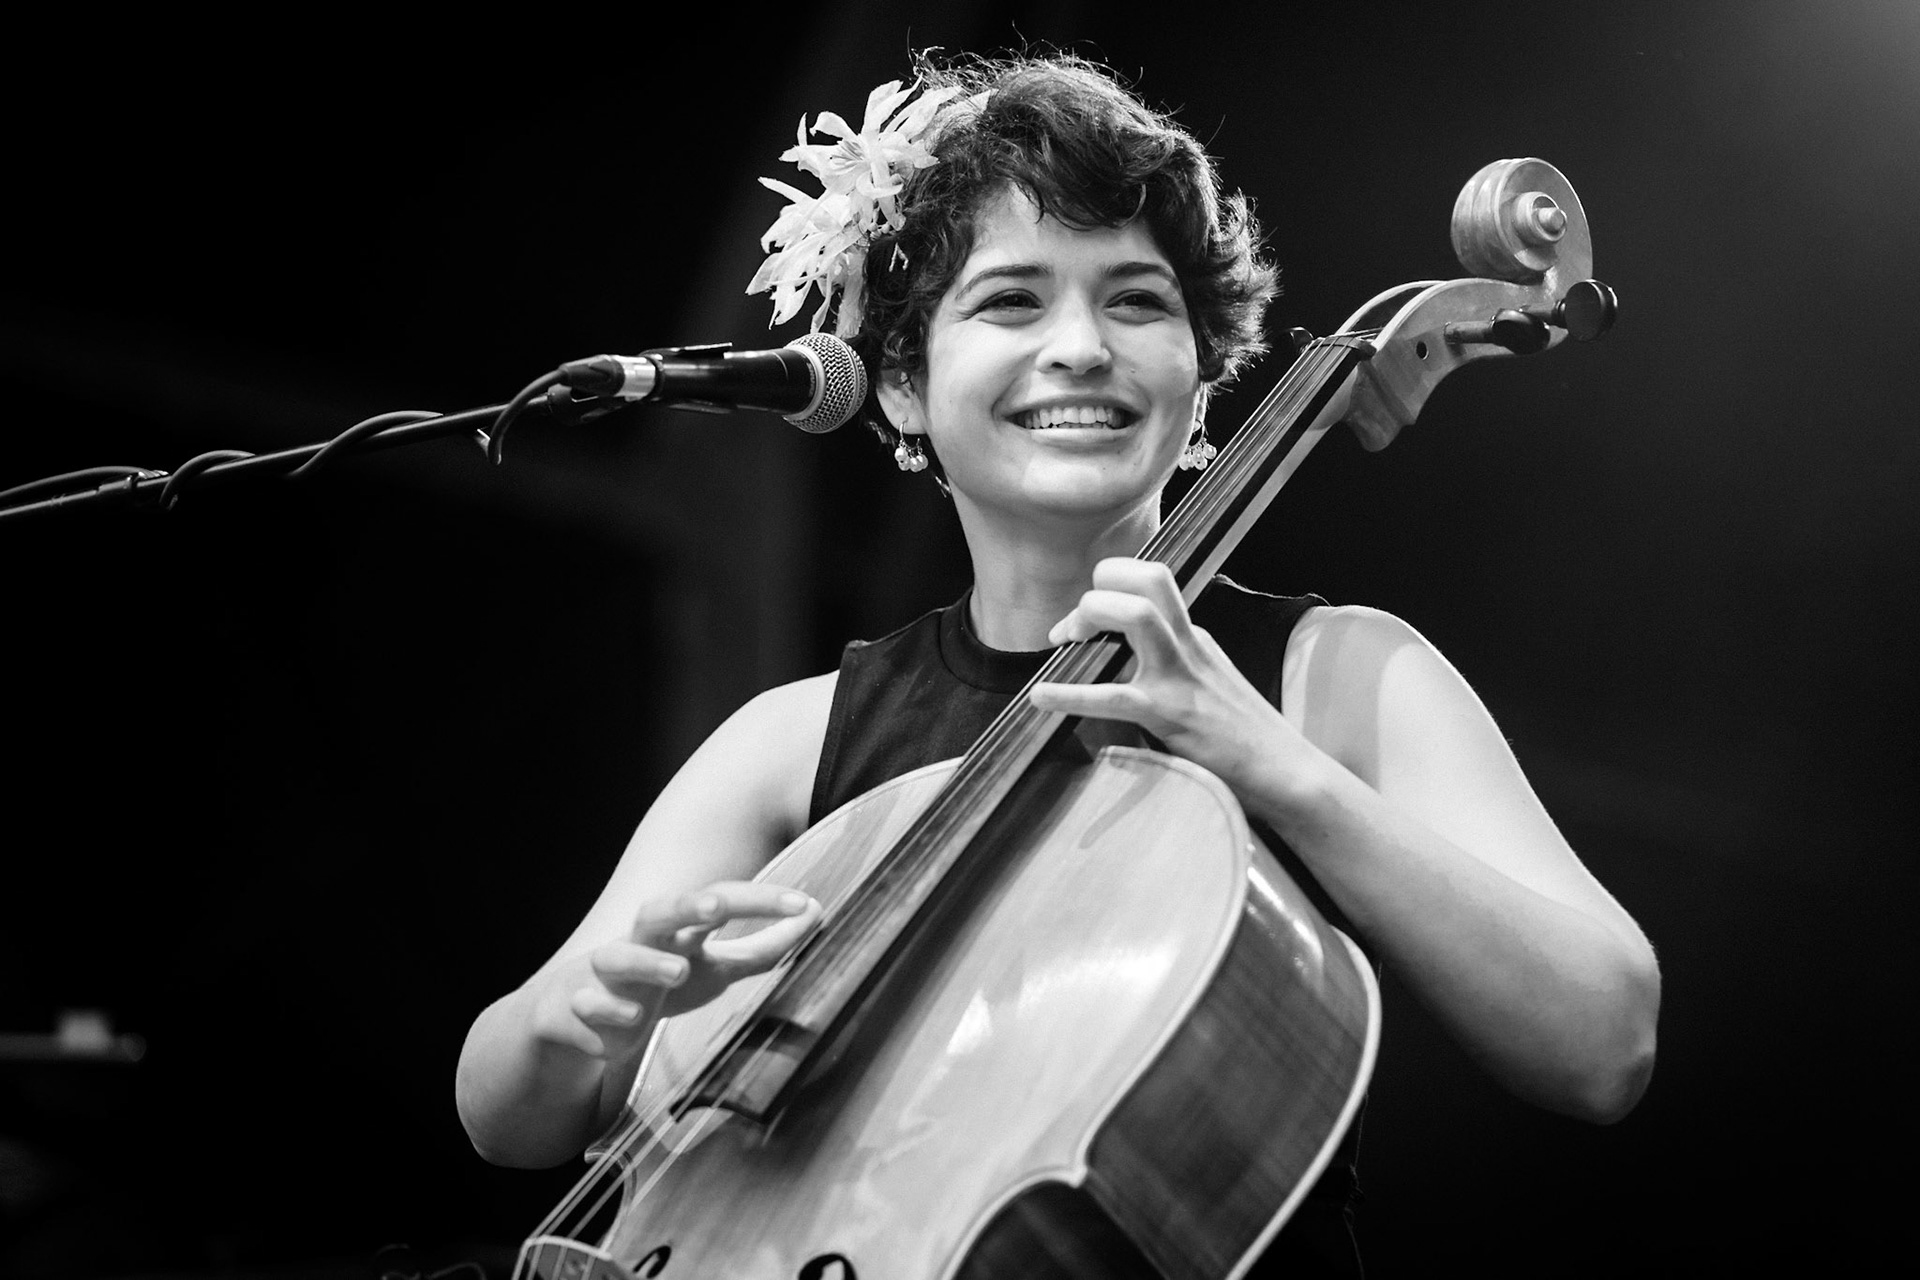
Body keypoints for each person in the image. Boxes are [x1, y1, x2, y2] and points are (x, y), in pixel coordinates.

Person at [456, 52, 1660, 1274]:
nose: (1081, 345)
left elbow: (1604, 1035)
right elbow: (508, 1111)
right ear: (909, 386)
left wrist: (1277, 765)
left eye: (1137, 301)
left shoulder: (1337, 673)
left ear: (1202, 384)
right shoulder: (794, 737)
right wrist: (575, 1018)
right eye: (1012, 301)